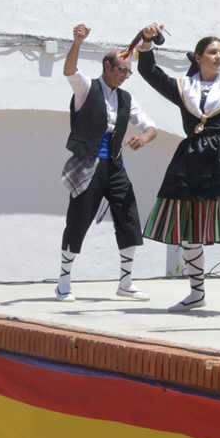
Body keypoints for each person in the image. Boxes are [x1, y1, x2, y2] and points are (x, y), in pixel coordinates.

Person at [136, 25, 220, 317]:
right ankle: (196, 293)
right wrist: (147, 42)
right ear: (198, 57)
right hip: (191, 159)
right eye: (213, 52)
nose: (218, 57)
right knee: (189, 230)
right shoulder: (183, 88)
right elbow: (150, 72)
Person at [56, 24, 158, 302]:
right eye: (122, 70)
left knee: (129, 216)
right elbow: (69, 71)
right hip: (88, 165)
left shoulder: (126, 98)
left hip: (114, 165)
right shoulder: (87, 89)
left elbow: (150, 127)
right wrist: (77, 42)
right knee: (78, 220)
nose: (125, 76)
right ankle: (63, 280)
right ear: (107, 67)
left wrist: (143, 139)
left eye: (128, 72)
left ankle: (126, 282)